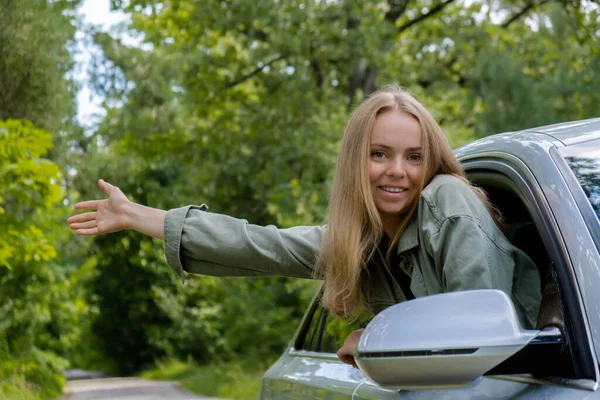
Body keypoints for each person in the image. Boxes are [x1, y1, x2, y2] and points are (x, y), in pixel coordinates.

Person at [68, 85, 541, 369]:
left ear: (431, 160)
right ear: (356, 161)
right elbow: (260, 245)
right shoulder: (360, 243)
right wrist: (136, 216)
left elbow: (482, 335)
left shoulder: (449, 200)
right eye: (379, 154)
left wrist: (383, 339)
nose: (398, 170)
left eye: (414, 157)